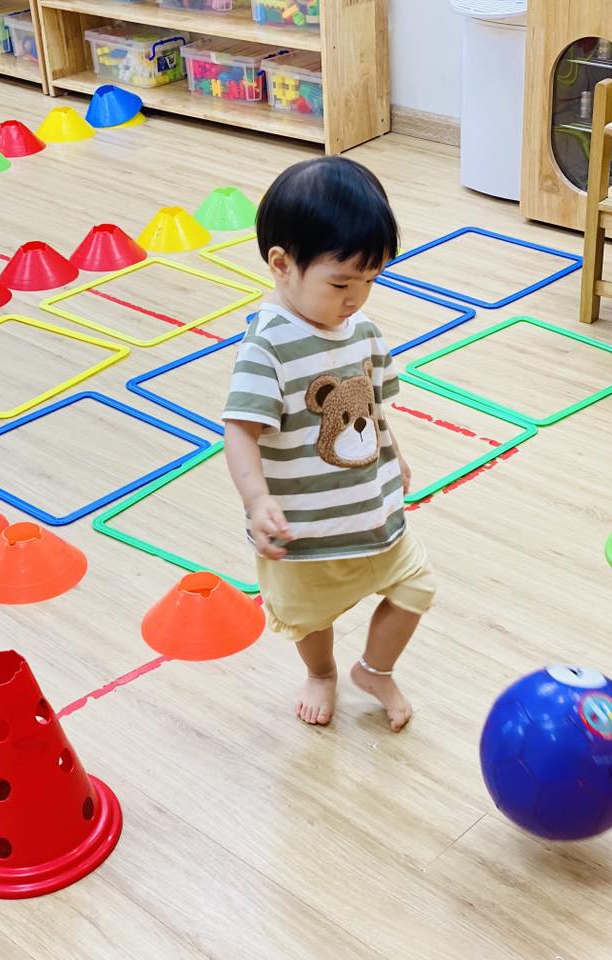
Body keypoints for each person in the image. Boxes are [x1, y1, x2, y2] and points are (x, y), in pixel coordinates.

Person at [223, 157, 436, 732]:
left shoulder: (362, 332)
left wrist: (396, 454)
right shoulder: (267, 346)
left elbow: (373, 406)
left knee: (416, 586)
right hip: (305, 530)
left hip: (372, 514)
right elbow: (239, 430)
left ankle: (375, 670)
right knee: (310, 616)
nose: (356, 298)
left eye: (370, 281)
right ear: (282, 265)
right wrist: (256, 500)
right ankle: (322, 673)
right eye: (341, 283)